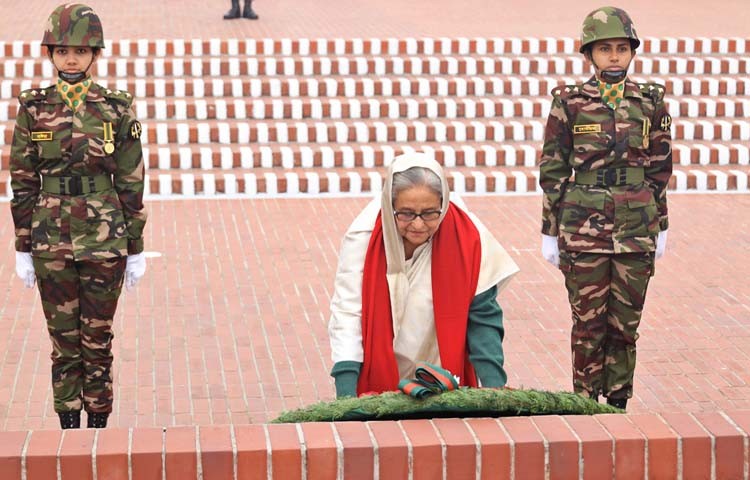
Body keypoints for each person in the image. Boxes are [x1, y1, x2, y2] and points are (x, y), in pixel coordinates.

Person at [10, 3, 148, 429]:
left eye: (81, 51)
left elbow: (131, 178)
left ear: (96, 55)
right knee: (63, 341)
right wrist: (23, 245)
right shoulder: (34, 108)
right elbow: (22, 177)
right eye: (63, 50)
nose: (71, 59)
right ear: (50, 54)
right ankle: (68, 422)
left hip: (105, 237)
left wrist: (136, 246)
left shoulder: (115, 108)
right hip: (50, 237)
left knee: (98, 338)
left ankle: (99, 422)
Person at [538, 6, 672, 410]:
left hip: (636, 227)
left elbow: (661, 168)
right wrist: (549, 230)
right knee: (588, 326)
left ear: (632, 52)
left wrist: (661, 225)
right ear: (588, 55)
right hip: (583, 228)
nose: (614, 56)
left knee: (625, 327)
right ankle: (584, 401)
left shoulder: (650, 102)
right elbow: (553, 168)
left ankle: (617, 402)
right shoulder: (570, 102)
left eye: (621, 48)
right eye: (604, 49)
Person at [328, 152, 519, 398]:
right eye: (406, 213)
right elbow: (348, 313)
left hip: (442, 371)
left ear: (444, 203)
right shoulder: (363, 237)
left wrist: (494, 388)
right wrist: (346, 393)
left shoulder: (467, 235)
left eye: (429, 213)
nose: (418, 225)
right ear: (390, 206)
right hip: (380, 371)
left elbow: (482, 312)